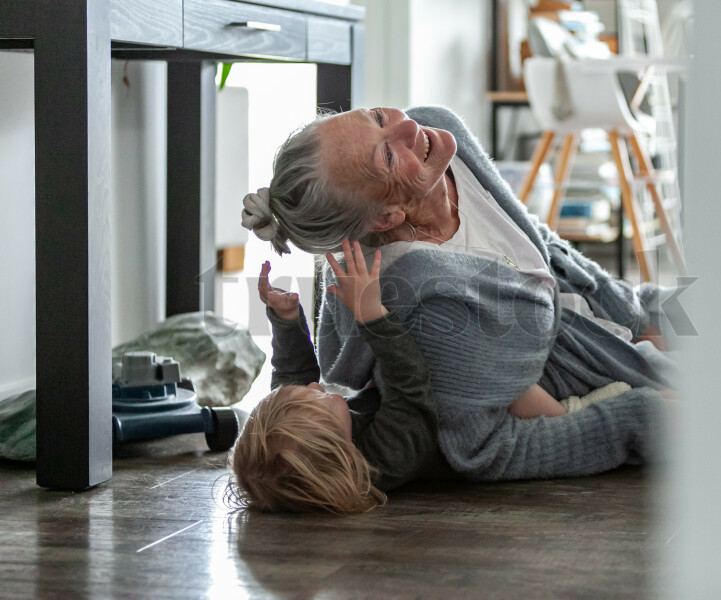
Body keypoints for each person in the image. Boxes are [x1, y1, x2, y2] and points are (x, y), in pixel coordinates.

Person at [240, 105, 674, 485]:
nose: (407, 127)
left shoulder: (439, 129)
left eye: (375, 116)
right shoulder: (427, 304)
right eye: (389, 154)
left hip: (610, 310)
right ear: (387, 218)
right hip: (598, 372)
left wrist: (636, 316)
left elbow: (541, 245)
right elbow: (484, 449)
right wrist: (632, 420)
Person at [227, 241, 569, 514]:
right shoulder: (387, 458)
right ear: (343, 453)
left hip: (408, 402)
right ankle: (568, 413)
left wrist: (284, 318)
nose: (316, 386)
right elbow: (410, 385)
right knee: (510, 390)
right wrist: (371, 314)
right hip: (454, 423)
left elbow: (293, 378)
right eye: (318, 399)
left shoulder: (316, 436)